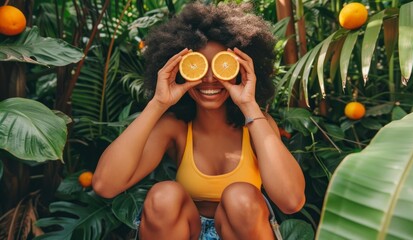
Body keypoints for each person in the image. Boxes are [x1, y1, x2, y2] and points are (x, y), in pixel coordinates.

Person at [92, 2, 305, 239]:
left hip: (244, 231)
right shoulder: (175, 127)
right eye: (197, 67)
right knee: (164, 196)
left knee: (241, 197)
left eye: (222, 66)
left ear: (241, 69)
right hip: (183, 231)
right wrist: (158, 104)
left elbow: (292, 201)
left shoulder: (256, 123)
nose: (210, 78)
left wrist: (249, 106)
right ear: (180, 70)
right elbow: (105, 185)